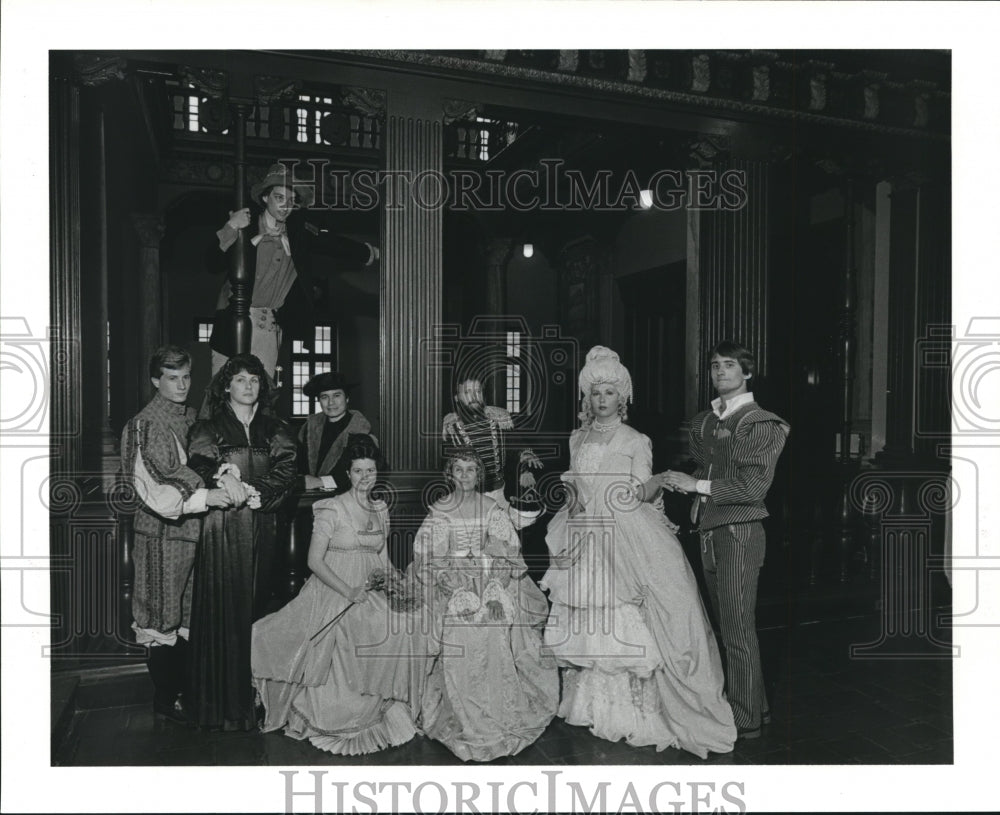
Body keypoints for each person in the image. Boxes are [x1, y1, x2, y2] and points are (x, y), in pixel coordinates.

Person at [540, 346, 736, 759]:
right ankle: (591, 704)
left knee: (629, 610)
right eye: (596, 393)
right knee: (589, 613)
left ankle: (633, 711)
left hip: (625, 530)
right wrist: (574, 505)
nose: (602, 400)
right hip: (586, 531)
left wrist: (647, 486)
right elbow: (574, 481)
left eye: (610, 392)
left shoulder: (635, 439)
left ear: (622, 397)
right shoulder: (577, 437)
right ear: (587, 399)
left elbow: (645, 487)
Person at [252, 434, 427, 755]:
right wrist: (349, 591)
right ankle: (343, 711)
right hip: (334, 587)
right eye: (358, 471)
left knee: (406, 625)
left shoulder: (380, 508)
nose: (364, 478)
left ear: (378, 474)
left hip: (372, 587)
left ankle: (383, 704)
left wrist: (398, 586)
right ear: (348, 473)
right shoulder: (331, 507)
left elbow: (384, 559)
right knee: (356, 630)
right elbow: (313, 561)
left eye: (370, 472)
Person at [654, 340, 790, 740]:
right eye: (715, 366)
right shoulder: (705, 421)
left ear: (747, 372)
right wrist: (675, 483)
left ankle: (744, 718)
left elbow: (753, 486)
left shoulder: (761, 422)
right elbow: (702, 463)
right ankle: (755, 706)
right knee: (727, 624)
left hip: (740, 532)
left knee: (738, 628)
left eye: (729, 366)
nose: (720, 372)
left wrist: (696, 483)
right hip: (709, 530)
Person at [410, 447, 558, 762]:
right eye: (459, 469)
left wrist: (494, 579)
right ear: (450, 474)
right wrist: (446, 579)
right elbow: (428, 554)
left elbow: (508, 549)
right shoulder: (441, 509)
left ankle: (498, 710)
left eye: (471, 470)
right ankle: (465, 715)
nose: (465, 476)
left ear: (480, 474)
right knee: (460, 631)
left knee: (495, 625)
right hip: (452, 582)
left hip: (488, 578)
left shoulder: (491, 507)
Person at [118, 345, 233, 724]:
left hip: (192, 535)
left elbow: (205, 458)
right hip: (160, 538)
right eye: (172, 378)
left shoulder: (190, 418)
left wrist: (225, 471)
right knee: (161, 616)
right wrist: (208, 494)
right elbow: (154, 490)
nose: (182, 384)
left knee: (188, 613)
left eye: (186, 377)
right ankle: (166, 700)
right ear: (156, 381)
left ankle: (185, 692)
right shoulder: (144, 424)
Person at [185, 353, 298, 730]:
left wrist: (252, 490)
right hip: (222, 529)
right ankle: (222, 705)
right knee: (224, 609)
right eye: (240, 380)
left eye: (254, 380)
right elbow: (199, 463)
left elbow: (287, 471)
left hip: (264, 525)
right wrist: (222, 476)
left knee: (257, 607)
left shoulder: (275, 427)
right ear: (226, 386)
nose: (248, 386)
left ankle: (254, 697)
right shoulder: (208, 426)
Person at [208, 162, 379, 378]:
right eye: (279, 198)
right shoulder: (246, 225)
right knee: (222, 393)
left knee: (260, 397)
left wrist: (368, 252)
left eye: (290, 200)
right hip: (231, 325)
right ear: (264, 198)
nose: (285, 206)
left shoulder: (297, 234)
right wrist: (231, 226)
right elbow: (212, 262)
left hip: (268, 328)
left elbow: (331, 243)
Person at [442, 377, 542, 525]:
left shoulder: (499, 418)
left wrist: (525, 454)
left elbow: (515, 444)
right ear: (457, 397)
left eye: (478, 391)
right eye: (468, 392)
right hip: (468, 499)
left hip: (499, 493)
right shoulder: (451, 427)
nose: (474, 397)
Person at [297, 371, 375, 493]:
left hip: (345, 500)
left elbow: (363, 475)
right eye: (324, 397)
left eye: (337, 395)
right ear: (319, 400)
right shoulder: (308, 429)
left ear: (347, 398)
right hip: (307, 500)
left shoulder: (361, 433)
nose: (331, 402)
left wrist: (321, 482)